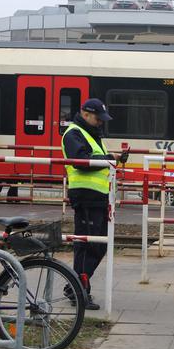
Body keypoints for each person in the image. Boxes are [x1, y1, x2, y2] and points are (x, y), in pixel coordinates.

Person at [61, 98, 127, 310]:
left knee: (99, 245)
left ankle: (75, 285)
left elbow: (95, 157)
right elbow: (82, 161)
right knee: (85, 245)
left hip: (98, 196)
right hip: (85, 195)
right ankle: (79, 290)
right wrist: (110, 157)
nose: (101, 122)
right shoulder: (73, 134)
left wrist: (113, 157)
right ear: (86, 114)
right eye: (98, 118)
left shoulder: (90, 134)